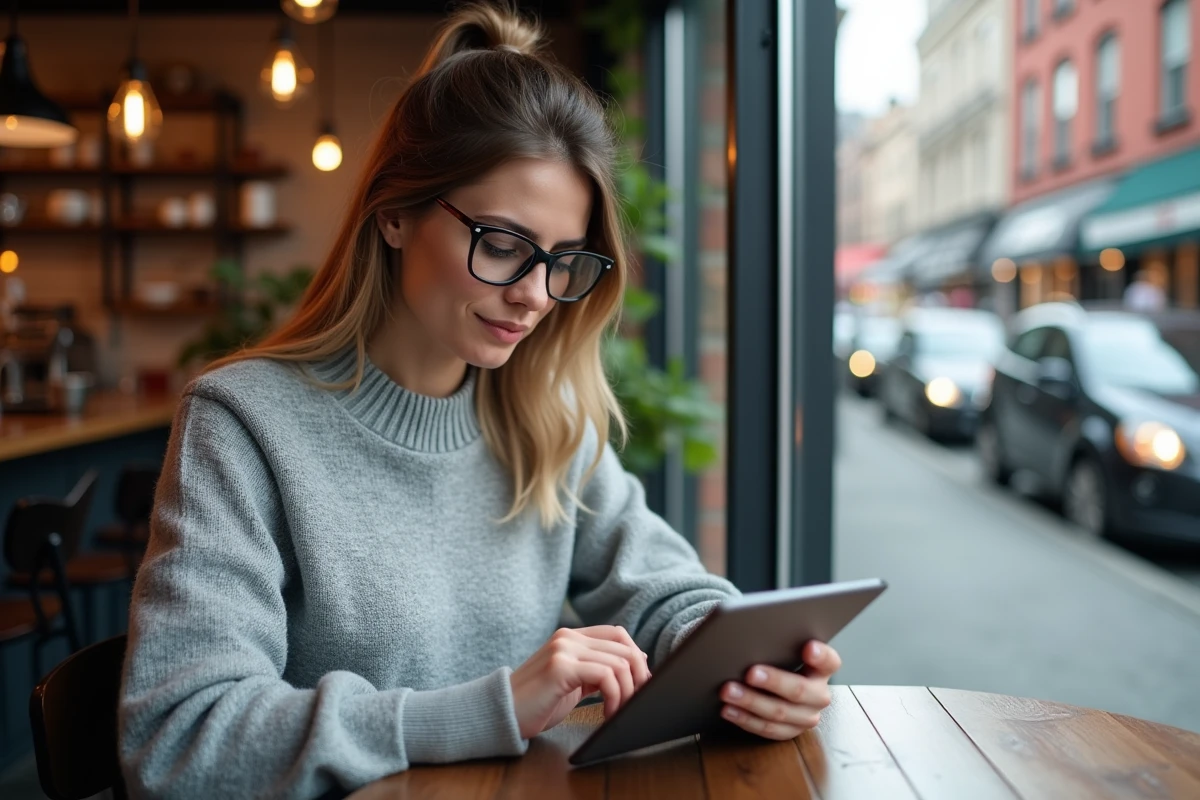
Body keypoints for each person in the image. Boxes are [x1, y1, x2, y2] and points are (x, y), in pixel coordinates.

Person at [118, 4, 842, 798]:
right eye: (502, 245)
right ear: (395, 213)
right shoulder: (244, 424)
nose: (535, 296)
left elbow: (667, 588)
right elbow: (178, 738)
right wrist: (483, 710)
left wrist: (748, 664)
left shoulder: (544, 420)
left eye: (564, 262)